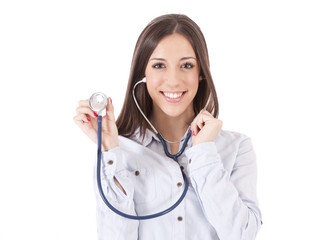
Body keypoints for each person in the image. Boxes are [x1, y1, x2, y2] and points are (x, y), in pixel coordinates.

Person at [74, 14, 262, 240]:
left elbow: (242, 235)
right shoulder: (118, 151)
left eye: (186, 65)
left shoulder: (237, 147)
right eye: (159, 65)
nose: (173, 80)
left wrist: (203, 153)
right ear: (143, 73)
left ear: (201, 72)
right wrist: (110, 150)